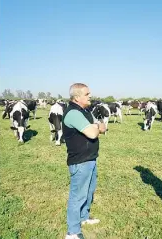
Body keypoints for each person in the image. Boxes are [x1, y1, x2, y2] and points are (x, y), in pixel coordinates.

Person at [63, 83, 106, 239]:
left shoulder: (86, 111)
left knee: (88, 191)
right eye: (87, 94)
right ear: (77, 97)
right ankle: (72, 232)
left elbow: (103, 126)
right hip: (80, 161)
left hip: (90, 159)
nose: (90, 96)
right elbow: (93, 133)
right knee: (78, 195)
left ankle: (84, 217)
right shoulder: (73, 113)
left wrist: (96, 126)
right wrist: (96, 127)